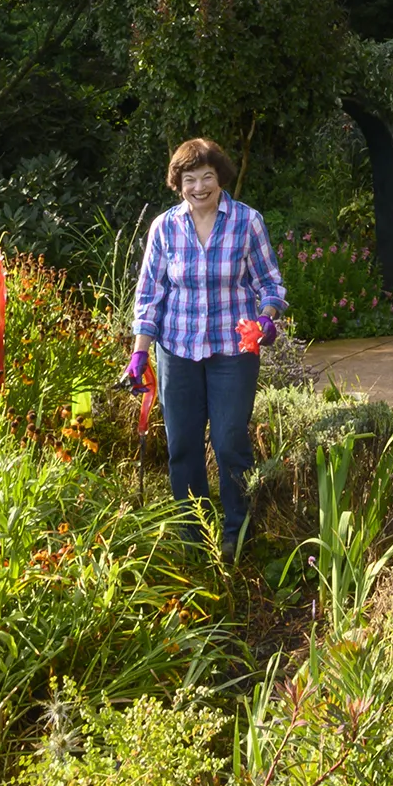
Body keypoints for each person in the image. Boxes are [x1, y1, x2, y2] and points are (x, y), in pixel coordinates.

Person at [124, 137, 287, 555]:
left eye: (207, 177)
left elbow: (269, 282)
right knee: (182, 444)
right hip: (177, 351)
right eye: (190, 179)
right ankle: (193, 534)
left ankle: (237, 530)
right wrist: (140, 351)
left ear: (221, 178)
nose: (199, 187)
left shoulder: (246, 222)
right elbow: (149, 295)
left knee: (230, 441)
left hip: (233, 352)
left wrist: (267, 317)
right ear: (178, 183)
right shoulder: (164, 227)